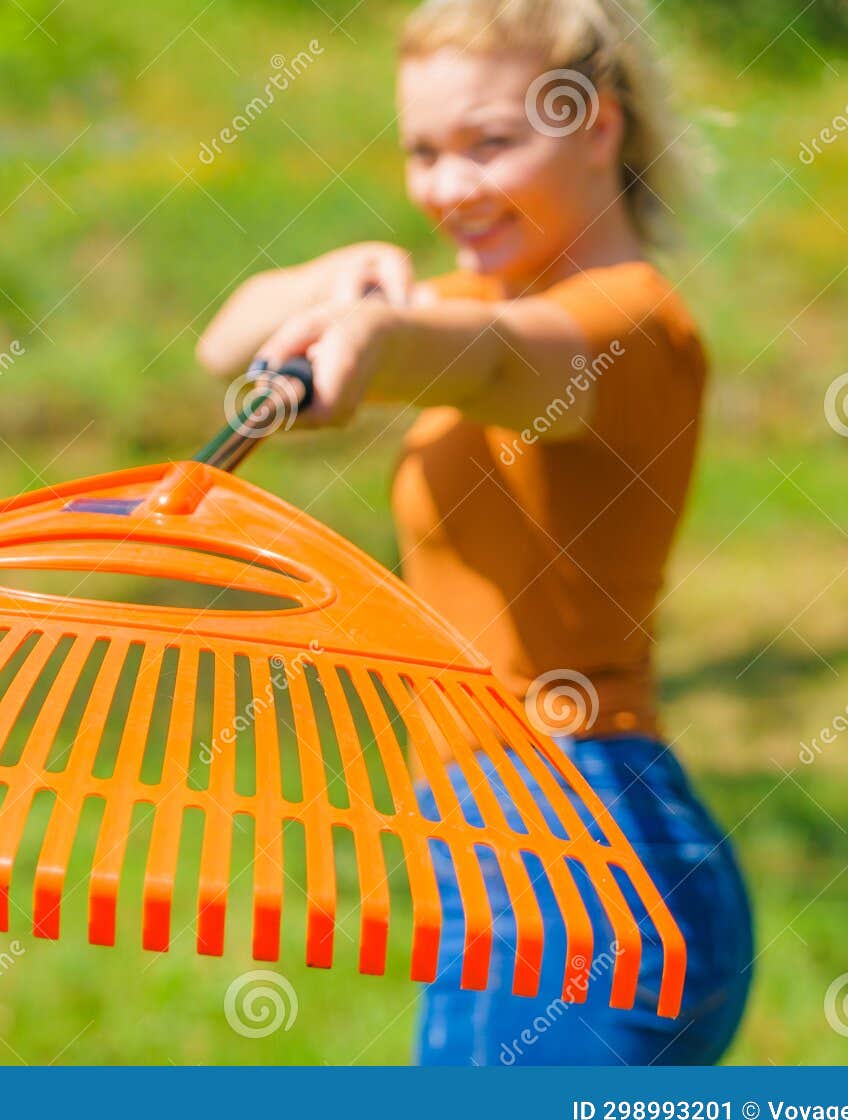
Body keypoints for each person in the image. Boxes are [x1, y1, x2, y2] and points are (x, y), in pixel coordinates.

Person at [196, 0, 752, 1065]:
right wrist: (336, 284)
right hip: (539, 852)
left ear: (595, 126)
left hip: (576, 865)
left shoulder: (627, 325)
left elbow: (497, 357)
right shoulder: (480, 296)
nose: (448, 188)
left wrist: (377, 337)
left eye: (489, 142)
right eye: (423, 151)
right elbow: (224, 340)